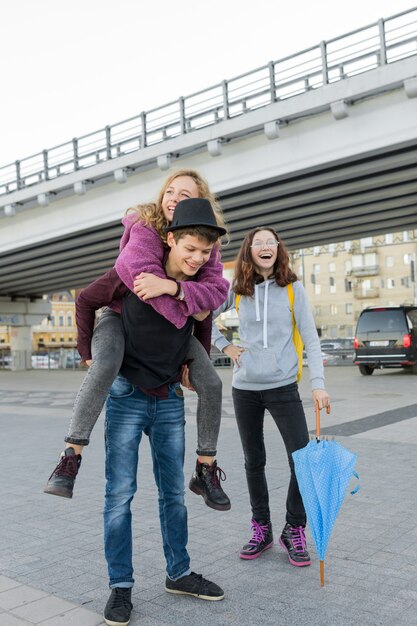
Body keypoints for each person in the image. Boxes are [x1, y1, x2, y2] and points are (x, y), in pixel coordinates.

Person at [44, 170, 231, 511]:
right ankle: (69, 457)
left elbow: (213, 299)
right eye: (170, 191)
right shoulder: (144, 230)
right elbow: (112, 290)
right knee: (106, 364)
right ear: (173, 240)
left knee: (213, 384)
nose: (174, 198)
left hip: (174, 336)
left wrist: (195, 352)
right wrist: (86, 352)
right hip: (121, 319)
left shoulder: (203, 248)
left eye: (185, 195)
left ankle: (205, 469)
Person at [103, 199, 225, 625]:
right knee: (119, 497)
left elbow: (211, 309)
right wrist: (90, 350)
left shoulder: (196, 288)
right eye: (189, 248)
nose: (196, 258)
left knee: (173, 495)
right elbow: (90, 300)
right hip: (126, 398)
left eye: (204, 252)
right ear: (169, 239)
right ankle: (120, 588)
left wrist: (195, 364)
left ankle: (179, 573)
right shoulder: (133, 273)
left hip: (169, 400)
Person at [211, 227, 330, 567]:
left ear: (279, 248)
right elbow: (202, 317)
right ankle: (261, 527)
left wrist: (318, 383)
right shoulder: (239, 289)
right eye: (257, 243)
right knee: (254, 460)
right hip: (244, 388)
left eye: (270, 242)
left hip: (282, 386)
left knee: (302, 461)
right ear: (249, 251)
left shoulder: (293, 289)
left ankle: (294, 528)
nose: (265, 247)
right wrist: (226, 346)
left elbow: (311, 338)